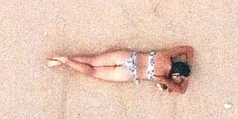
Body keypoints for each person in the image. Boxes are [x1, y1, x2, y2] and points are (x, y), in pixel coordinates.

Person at [47, 46, 194, 93]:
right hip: (130, 73)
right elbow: (181, 90)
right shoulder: (163, 78)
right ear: (177, 73)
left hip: (130, 58)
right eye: (179, 77)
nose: (178, 79)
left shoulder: (166, 55)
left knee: (93, 60)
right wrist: (185, 78)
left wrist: (188, 63)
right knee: (94, 72)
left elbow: (188, 49)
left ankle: (64, 59)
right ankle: (66, 62)